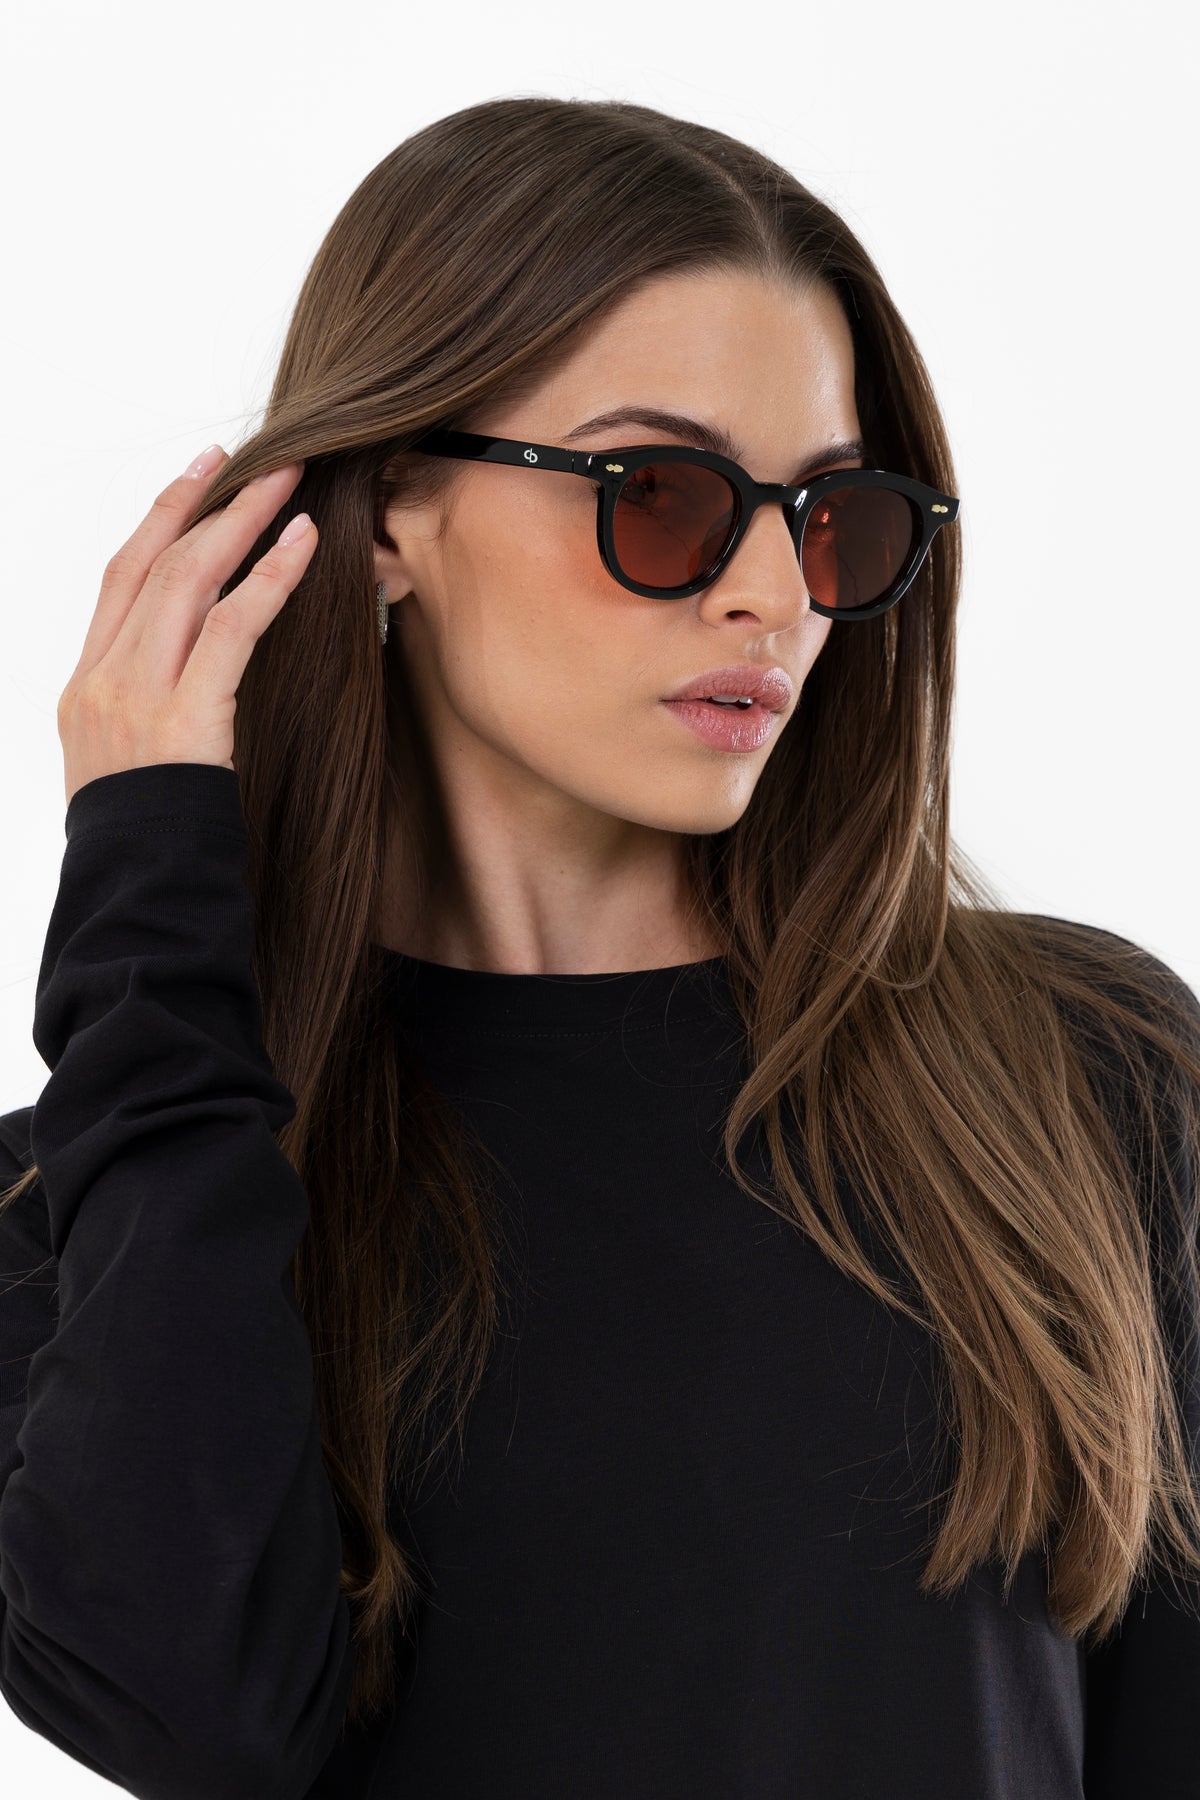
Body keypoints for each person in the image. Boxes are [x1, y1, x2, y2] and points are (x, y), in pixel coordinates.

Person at [1, 95, 1198, 1800]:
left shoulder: (1078, 1079)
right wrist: (146, 864)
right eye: (662, 494)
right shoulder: (126, 1198)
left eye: (829, 515)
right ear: (392, 510)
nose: (773, 594)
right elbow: (192, 1716)